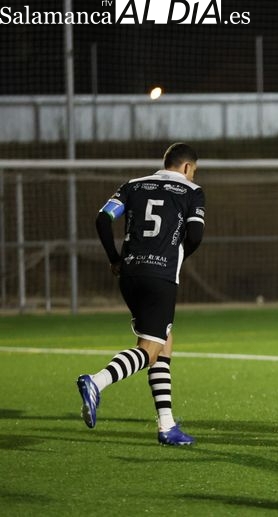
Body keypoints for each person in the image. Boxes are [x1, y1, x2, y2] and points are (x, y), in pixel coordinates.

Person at [76, 143, 206, 446]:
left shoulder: (132, 186)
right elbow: (196, 235)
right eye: (193, 171)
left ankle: (167, 425)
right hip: (159, 277)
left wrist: (114, 258)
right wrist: (176, 256)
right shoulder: (191, 191)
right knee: (148, 350)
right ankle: (96, 381)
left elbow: (102, 219)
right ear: (187, 168)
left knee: (163, 341)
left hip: (130, 274)